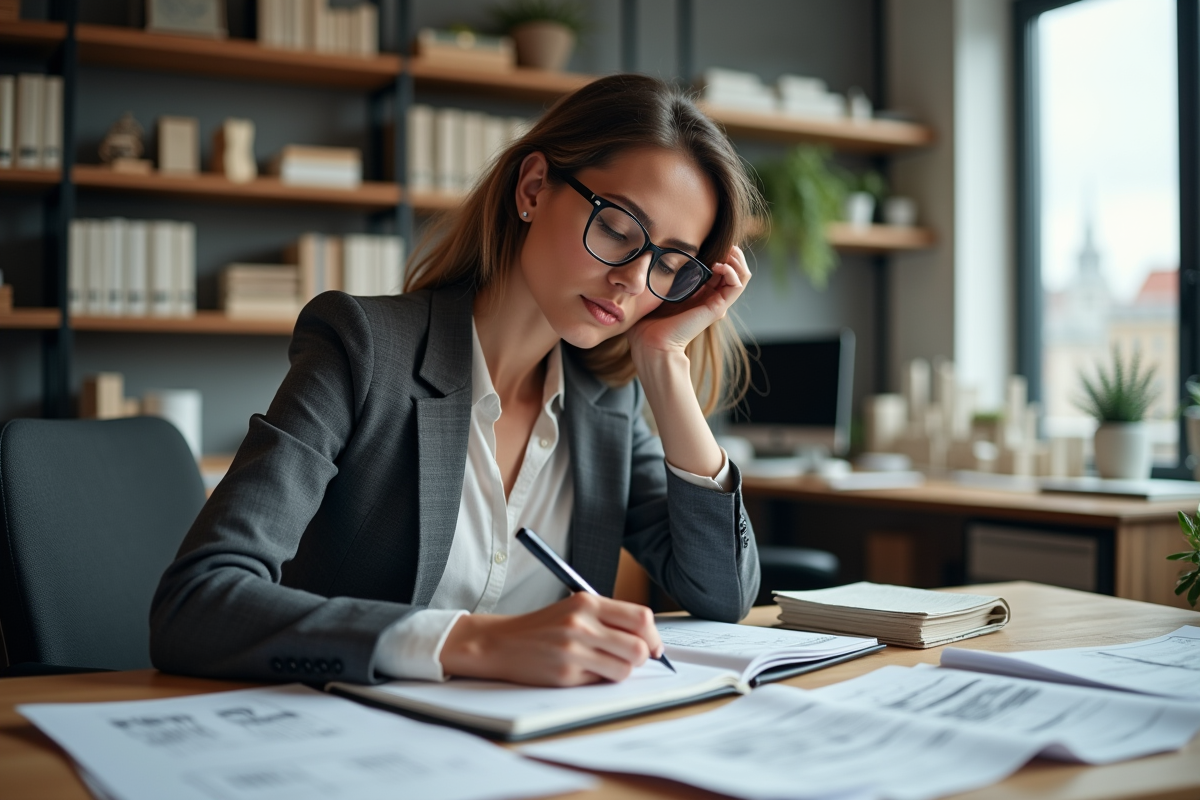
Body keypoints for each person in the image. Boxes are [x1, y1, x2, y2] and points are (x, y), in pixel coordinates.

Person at [150, 73, 762, 688]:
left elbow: (722, 593)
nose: (633, 279)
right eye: (617, 230)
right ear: (533, 187)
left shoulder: (607, 405)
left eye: (669, 264)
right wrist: (471, 642)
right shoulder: (363, 349)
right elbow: (197, 602)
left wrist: (665, 362)